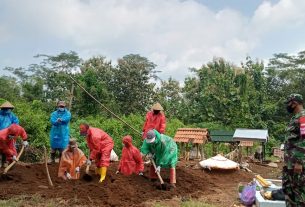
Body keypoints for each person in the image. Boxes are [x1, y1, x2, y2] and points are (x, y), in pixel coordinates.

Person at [283, 93, 305, 206]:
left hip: (297, 165)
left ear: (294, 103)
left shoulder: (303, 117)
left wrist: (299, 162)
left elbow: (304, 140)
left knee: (299, 194)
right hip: (289, 164)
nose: (287, 106)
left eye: (289, 103)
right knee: (288, 192)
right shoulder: (294, 118)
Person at [0, 101, 19, 166]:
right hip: (1, 135)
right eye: (6, 108)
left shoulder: (12, 116)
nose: (8, 110)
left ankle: (4, 163)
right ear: (2, 108)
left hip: (9, 135)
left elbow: (16, 124)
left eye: (9, 108)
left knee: (7, 149)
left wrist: (13, 133)